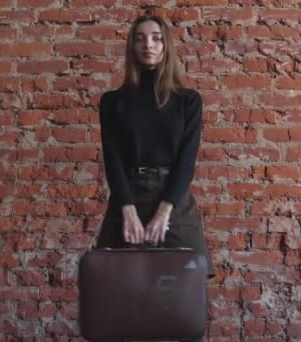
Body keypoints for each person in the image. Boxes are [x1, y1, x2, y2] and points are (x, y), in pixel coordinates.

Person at [94, 14, 215, 340]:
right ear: (131, 46)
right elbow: (113, 160)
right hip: (127, 199)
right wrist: (127, 209)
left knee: (183, 309)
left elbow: (186, 162)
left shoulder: (187, 101)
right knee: (124, 306)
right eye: (140, 38)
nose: (148, 44)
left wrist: (165, 211)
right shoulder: (112, 102)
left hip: (174, 204)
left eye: (157, 38)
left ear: (166, 46)